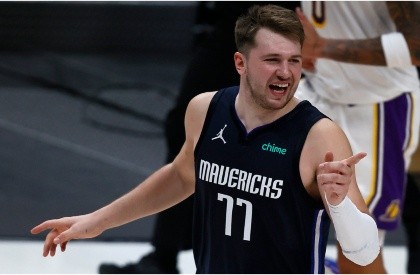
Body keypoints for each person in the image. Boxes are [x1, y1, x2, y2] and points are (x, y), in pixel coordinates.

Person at [31, 5, 382, 273]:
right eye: (272, 59)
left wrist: (340, 206)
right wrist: (99, 220)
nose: (286, 72)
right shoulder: (205, 109)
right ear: (240, 63)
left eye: (294, 60)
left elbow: (364, 253)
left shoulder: (318, 135)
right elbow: (183, 175)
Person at [97, 2, 301, 273]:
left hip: (263, 27)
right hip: (247, 26)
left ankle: (174, 254)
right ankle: (171, 253)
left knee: (262, 146)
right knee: (195, 138)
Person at [294, 2, 420, 273]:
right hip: (314, 91)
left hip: (375, 105)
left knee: (357, 253)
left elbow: (418, 46)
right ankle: (417, 205)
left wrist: (323, 47)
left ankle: (418, 209)